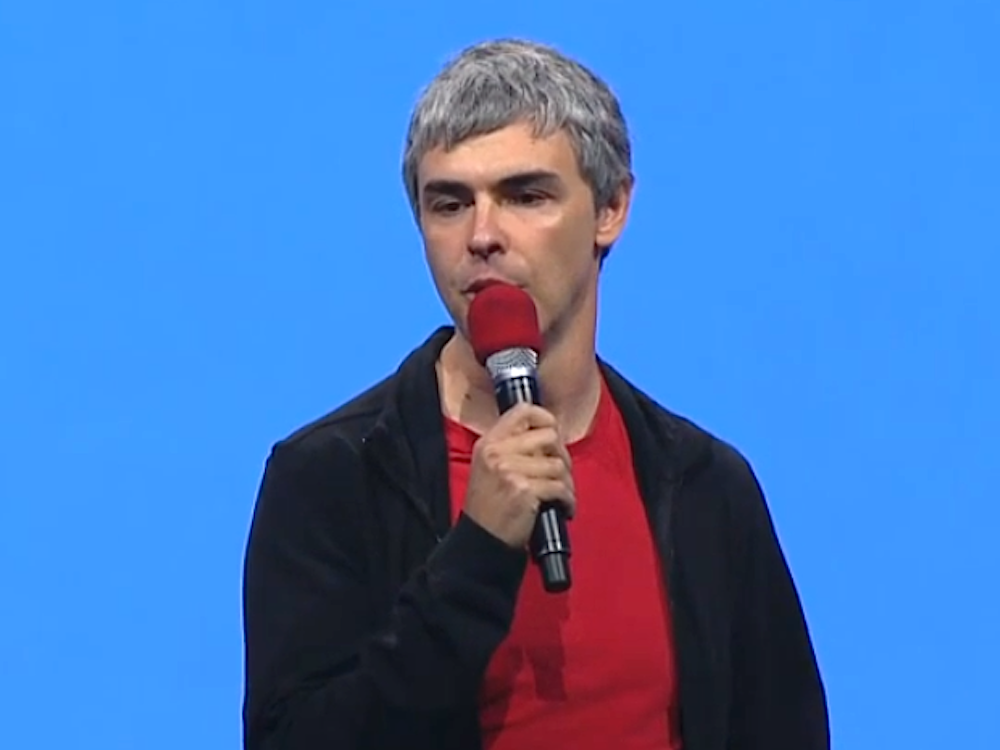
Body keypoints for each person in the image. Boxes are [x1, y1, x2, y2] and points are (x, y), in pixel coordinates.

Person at [241, 38, 829, 750]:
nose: (483, 236)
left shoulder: (704, 486)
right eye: (449, 203)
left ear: (611, 208)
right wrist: (477, 554)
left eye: (525, 196)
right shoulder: (334, 475)